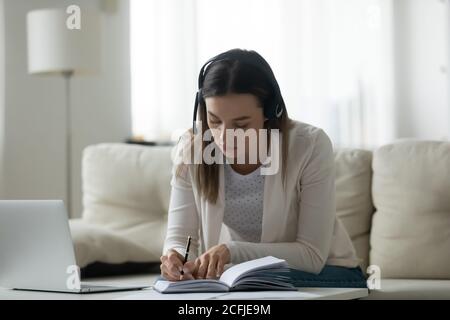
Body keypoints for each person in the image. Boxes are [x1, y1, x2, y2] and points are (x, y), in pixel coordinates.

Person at [159, 48, 367, 288]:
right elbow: (179, 238)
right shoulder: (193, 149)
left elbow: (311, 257)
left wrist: (231, 251)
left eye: (242, 124)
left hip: (327, 271)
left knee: (250, 281)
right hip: (242, 271)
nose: (225, 137)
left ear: (270, 111)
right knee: (168, 283)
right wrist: (175, 260)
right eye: (215, 121)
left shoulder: (310, 145)